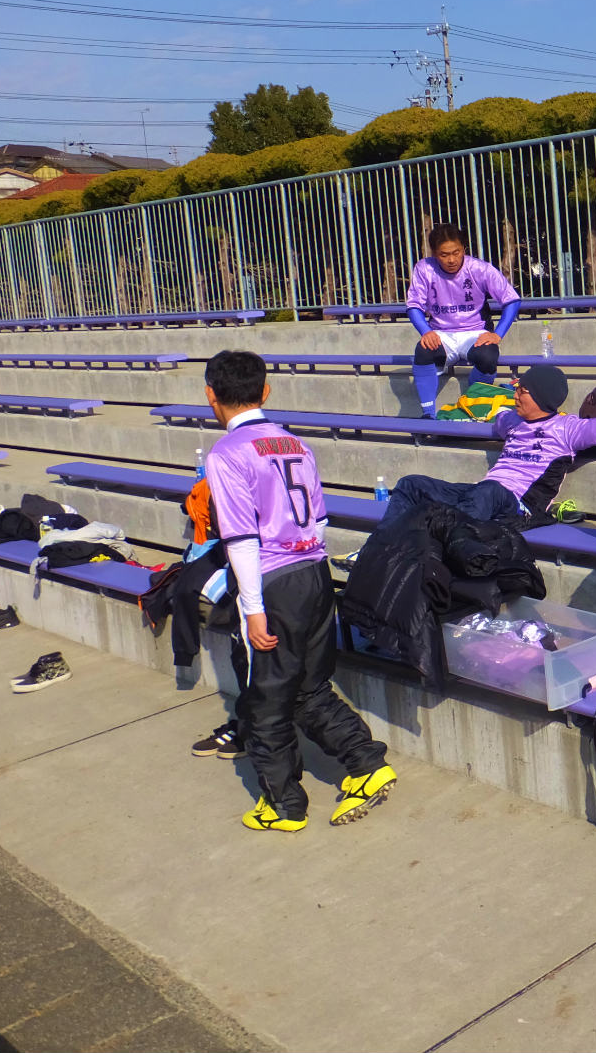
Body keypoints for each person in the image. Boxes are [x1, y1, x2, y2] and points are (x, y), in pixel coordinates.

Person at [202, 350, 397, 832]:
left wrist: (252, 608)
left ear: (210, 395)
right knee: (309, 687)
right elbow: (320, 519)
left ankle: (283, 805)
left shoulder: (226, 453)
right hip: (313, 572)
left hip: (271, 583)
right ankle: (367, 762)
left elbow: (241, 538)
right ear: (265, 391)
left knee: (266, 699)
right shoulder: (296, 444)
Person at [334, 365, 596, 568]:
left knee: (489, 491)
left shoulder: (568, 429)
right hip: (483, 494)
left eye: (523, 391)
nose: (515, 395)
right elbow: (495, 416)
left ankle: (425, 556)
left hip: (520, 507)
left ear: (542, 398)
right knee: (411, 484)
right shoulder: (511, 420)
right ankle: (375, 552)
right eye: (517, 388)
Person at [407, 224, 522, 418]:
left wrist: (497, 334)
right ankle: (428, 414)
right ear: (434, 254)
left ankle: (473, 403)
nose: (451, 260)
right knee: (423, 350)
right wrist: (426, 331)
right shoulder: (424, 268)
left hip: (475, 331)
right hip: (442, 332)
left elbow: (512, 300)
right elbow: (413, 305)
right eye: (444, 255)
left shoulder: (480, 268)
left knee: (488, 356)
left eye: (456, 252)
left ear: (464, 249)